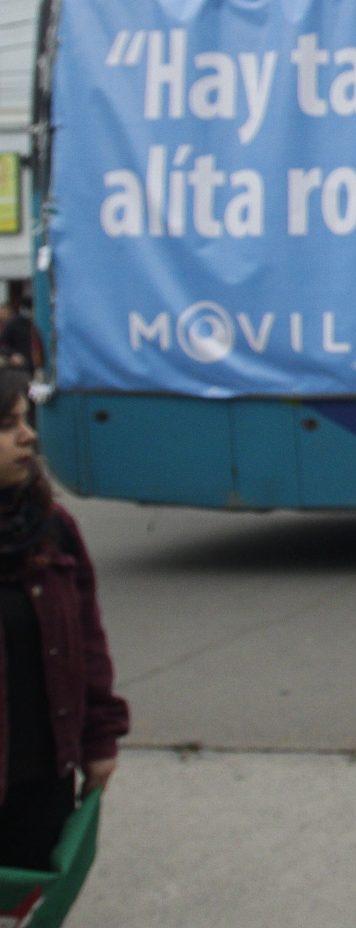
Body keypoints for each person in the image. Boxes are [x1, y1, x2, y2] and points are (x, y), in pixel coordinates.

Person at [0, 369, 127, 870]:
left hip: (42, 778)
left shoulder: (51, 528)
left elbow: (88, 644)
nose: (28, 435)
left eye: (25, 420)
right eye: (8, 425)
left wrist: (100, 739)